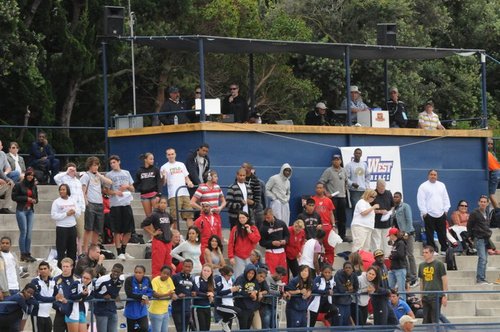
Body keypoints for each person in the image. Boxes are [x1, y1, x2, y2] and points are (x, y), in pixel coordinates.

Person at [106, 155, 136, 260]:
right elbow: (106, 190)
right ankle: (119, 252)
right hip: (115, 204)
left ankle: (124, 250)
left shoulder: (126, 173)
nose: (112, 164)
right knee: (117, 230)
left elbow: (133, 188)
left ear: (119, 162)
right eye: (111, 163)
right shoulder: (108, 175)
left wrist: (126, 186)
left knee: (128, 230)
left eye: (114, 162)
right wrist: (115, 192)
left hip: (126, 203)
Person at [80, 156, 112, 253]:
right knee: (89, 228)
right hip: (91, 203)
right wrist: (86, 203)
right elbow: (83, 191)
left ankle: (94, 247)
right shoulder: (86, 176)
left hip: (99, 204)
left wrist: (99, 175)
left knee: (97, 229)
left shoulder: (98, 176)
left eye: (97, 165)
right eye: (94, 165)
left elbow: (110, 182)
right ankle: (85, 249)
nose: (96, 167)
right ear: (89, 165)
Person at [54, 162, 86, 255]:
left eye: (74, 169)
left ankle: (79, 252)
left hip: (79, 209)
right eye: (70, 169)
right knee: (71, 233)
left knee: (80, 233)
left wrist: (83, 207)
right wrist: (66, 172)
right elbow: (55, 178)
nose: (72, 171)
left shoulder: (78, 180)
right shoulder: (63, 179)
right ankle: (72, 250)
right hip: (69, 209)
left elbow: (81, 194)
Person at [417, 169, 451, 255]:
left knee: (442, 233)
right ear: (428, 176)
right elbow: (421, 200)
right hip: (429, 214)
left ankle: (444, 249)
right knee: (429, 233)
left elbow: (445, 198)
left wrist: (446, 210)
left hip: (441, 213)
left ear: (437, 176)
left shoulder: (442, 185)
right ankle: (432, 250)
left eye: (435, 175)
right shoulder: (423, 186)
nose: (433, 176)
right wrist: (424, 212)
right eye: (431, 174)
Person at [160, 148, 194, 228]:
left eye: (172, 154)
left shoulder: (181, 164)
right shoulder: (164, 167)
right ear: (166, 156)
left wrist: (189, 182)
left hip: (185, 193)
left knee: (189, 215)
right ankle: (174, 236)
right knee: (174, 217)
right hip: (173, 194)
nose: (171, 156)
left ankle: (192, 235)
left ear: (175, 154)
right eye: (169, 154)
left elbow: (186, 177)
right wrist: (164, 176)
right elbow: (163, 183)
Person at [142, 196, 174, 277]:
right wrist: (153, 233)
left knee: (168, 265)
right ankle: (156, 286)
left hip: (168, 241)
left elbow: (172, 222)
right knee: (158, 265)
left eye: (165, 203)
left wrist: (169, 230)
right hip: (159, 242)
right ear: (158, 204)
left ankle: (166, 285)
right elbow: (144, 225)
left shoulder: (167, 214)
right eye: (161, 203)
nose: (163, 204)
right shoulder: (154, 214)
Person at [319, 153, 349, 240]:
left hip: (342, 197)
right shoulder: (328, 171)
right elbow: (321, 182)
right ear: (332, 161)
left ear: (341, 161)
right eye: (335, 159)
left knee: (343, 218)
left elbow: (346, 182)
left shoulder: (343, 171)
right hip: (333, 198)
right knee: (333, 218)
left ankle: (342, 236)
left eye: (338, 159)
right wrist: (326, 193)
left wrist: (344, 190)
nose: (336, 161)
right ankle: (333, 236)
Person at [11, 167, 38, 262]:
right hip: (21, 210)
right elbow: (14, 197)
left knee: (29, 233)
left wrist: (34, 201)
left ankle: (28, 253)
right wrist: (26, 199)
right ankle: (23, 253)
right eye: (29, 175)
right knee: (24, 232)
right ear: (26, 175)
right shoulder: (19, 185)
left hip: (30, 211)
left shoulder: (34, 186)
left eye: (32, 175)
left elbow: (36, 199)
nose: (30, 177)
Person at [51, 183, 80, 267]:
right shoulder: (56, 202)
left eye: (63, 189)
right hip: (61, 228)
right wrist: (66, 214)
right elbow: (54, 216)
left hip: (72, 227)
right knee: (61, 249)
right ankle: (61, 268)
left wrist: (74, 212)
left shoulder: (72, 200)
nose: (62, 191)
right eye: (60, 190)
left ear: (67, 190)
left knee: (72, 249)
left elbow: (78, 213)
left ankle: (72, 268)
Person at [31, 261, 65, 332]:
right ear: (39, 271)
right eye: (41, 269)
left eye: (45, 268)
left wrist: (61, 301)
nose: (43, 270)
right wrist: (54, 298)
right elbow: (38, 298)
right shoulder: (35, 281)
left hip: (47, 314)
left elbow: (56, 295)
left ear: (49, 270)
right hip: (37, 314)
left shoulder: (53, 281)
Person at [393, 191, 418, 287]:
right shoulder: (394, 209)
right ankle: (407, 278)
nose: (395, 198)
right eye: (394, 197)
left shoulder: (405, 206)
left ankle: (414, 278)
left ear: (401, 198)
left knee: (410, 255)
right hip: (399, 236)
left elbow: (409, 220)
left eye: (397, 197)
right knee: (403, 257)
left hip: (408, 234)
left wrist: (406, 232)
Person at [418, 245, 448, 324]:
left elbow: (444, 280)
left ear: (432, 253)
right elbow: (421, 281)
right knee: (426, 320)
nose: (424, 254)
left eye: (426, 252)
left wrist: (444, 295)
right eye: (423, 252)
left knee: (435, 319)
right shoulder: (421, 265)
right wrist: (421, 295)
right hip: (425, 295)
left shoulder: (439, 264)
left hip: (436, 296)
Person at [228, 211, 261, 278]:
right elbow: (231, 243)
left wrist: (249, 232)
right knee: (239, 276)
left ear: (247, 218)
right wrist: (231, 257)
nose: (241, 219)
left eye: (243, 217)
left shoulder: (253, 228)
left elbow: (256, 240)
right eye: (240, 218)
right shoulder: (235, 229)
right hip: (238, 256)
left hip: (250, 256)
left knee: (250, 276)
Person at [468, 195, 492, 284]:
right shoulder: (474, 213)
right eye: (481, 201)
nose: (482, 203)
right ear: (478, 202)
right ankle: (480, 279)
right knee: (482, 259)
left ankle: (482, 278)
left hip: (486, 238)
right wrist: (470, 237)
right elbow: (469, 225)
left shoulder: (487, 213)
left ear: (487, 203)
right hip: (479, 238)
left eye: (484, 202)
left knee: (485, 259)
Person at [260, 208, 290, 282]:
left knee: (284, 272)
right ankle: (272, 288)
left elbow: (287, 235)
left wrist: (285, 240)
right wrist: (271, 243)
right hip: (271, 252)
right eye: (265, 218)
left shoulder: (281, 223)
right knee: (272, 272)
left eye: (268, 217)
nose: (267, 219)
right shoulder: (263, 227)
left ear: (272, 214)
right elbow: (261, 242)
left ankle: (284, 288)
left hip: (282, 252)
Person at [94, 263, 125, 332]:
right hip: (101, 309)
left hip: (112, 309)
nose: (115, 273)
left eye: (118, 272)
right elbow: (92, 293)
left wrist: (116, 295)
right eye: (114, 271)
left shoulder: (122, 279)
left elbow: (115, 291)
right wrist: (102, 296)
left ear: (121, 273)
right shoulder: (102, 279)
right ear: (111, 270)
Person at [124, 265, 152, 332]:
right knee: (131, 330)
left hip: (142, 310)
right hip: (131, 309)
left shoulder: (147, 279)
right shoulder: (129, 280)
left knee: (145, 328)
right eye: (136, 272)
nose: (137, 274)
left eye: (140, 273)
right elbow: (129, 294)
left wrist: (147, 297)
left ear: (144, 273)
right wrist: (143, 297)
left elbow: (150, 291)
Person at [66, 268, 94, 332]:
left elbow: (92, 296)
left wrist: (83, 298)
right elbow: (70, 297)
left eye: (87, 278)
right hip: (72, 312)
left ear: (91, 279)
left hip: (82, 312)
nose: (85, 280)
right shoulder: (76, 283)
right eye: (84, 277)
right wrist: (81, 294)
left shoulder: (92, 284)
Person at [134, 152, 162, 218]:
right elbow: (136, 183)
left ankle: (158, 228)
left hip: (154, 195)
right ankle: (151, 228)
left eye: (153, 159)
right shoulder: (139, 171)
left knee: (157, 215)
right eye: (151, 159)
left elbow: (159, 182)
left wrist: (159, 194)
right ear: (145, 160)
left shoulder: (156, 170)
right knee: (149, 216)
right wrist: (140, 188)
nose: (152, 160)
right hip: (144, 196)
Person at [215, 265, 242, 332]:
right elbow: (218, 293)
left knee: (228, 328)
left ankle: (224, 322)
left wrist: (237, 290)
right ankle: (224, 322)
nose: (230, 277)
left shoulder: (230, 280)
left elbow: (232, 293)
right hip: (221, 305)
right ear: (224, 274)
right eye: (229, 275)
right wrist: (231, 290)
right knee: (238, 311)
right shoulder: (218, 279)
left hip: (230, 305)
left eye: (231, 275)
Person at [371, 179, 394, 256]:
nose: (382, 190)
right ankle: (376, 257)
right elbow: (369, 210)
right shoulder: (373, 194)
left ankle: (387, 257)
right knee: (376, 243)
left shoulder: (388, 193)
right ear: (376, 186)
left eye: (383, 188)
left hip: (387, 223)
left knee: (387, 242)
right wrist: (380, 211)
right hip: (376, 223)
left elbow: (393, 206)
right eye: (380, 188)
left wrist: (389, 212)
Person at [149, 265, 176, 332]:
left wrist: (174, 295)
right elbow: (155, 294)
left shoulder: (169, 279)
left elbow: (172, 291)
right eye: (164, 273)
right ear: (160, 272)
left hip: (165, 311)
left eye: (168, 274)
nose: (166, 275)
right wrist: (167, 295)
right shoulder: (155, 280)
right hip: (156, 312)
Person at [234, 264, 260, 329]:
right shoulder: (240, 278)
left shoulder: (254, 280)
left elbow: (257, 288)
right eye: (249, 273)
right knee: (243, 328)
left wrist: (255, 292)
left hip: (251, 308)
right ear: (246, 272)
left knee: (248, 328)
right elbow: (238, 290)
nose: (250, 275)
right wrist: (250, 294)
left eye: (252, 273)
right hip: (242, 307)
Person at [171, 259, 194, 332]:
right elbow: (169, 289)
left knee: (185, 329)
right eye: (186, 266)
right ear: (182, 266)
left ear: (192, 268)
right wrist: (176, 295)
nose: (187, 268)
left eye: (189, 267)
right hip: (177, 308)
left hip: (187, 308)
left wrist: (193, 293)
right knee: (180, 329)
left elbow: (195, 291)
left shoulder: (191, 278)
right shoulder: (175, 277)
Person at [333, 261, 359, 326]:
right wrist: (348, 289)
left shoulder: (354, 275)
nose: (348, 269)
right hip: (338, 303)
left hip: (347, 303)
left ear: (352, 269)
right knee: (338, 323)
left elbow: (356, 288)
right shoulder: (338, 274)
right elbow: (340, 289)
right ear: (343, 269)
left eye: (349, 268)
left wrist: (350, 290)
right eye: (346, 268)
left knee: (346, 323)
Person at [53, 257, 75, 332]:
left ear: (71, 267)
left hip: (72, 312)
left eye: (67, 266)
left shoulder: (76, 280)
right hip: (60, 312)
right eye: (63, 266)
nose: (65, 268)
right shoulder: (55, 280)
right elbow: (52, 296)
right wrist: (59, 307)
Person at [191, 264, 215, 331]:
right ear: (201, 271)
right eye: (204, 270)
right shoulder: (197, 278)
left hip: (207, 307)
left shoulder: (212, 281)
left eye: (208, 271)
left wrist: (212, 294)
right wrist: (208, 295)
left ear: (211, 273)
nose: (206, 272)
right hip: (198, 307)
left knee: (207, 329)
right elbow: (196, 292)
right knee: (200, 329)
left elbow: (215, 292)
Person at [242, 162, 264, 228]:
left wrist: (252, 203)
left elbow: (258, 198)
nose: (241, 168)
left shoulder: (256, 181)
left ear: (249, 169)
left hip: (253, 210)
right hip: (242, 208)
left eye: (243, 167)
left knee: (253, 229)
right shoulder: (240, 178)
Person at [387, 228, 408, 300]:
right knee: (389, 288)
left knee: (401, 290)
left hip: (400, 268)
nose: (390, 237)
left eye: (390, 235)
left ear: (393, 235)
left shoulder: (401, 243)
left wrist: (391, 256)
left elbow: (401, 254)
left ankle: (402, 308)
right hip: (393, 268)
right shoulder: (396, 243)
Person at [487, 138, 500, 208]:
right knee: (489, 194)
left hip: (495, 173)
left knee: (490, 194)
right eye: (488, 143)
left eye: (491, 144)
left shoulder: (490, 153)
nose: (490, 145)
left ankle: (498, 211)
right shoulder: (491, 153)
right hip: (495, 173)